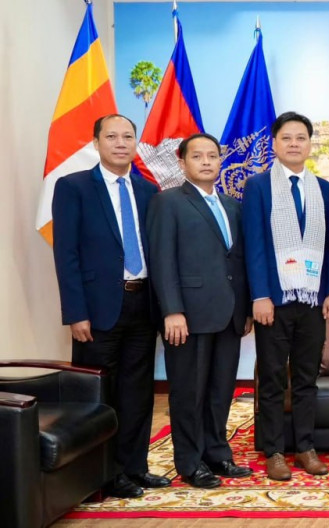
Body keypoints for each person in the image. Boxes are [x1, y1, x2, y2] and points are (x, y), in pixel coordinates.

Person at [52, 114, 169, 498]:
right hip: (97, 308)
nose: (121, 143)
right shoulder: (74, 187)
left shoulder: (147, 190)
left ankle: (134, 467)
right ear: (96, 142)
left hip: (142, 303)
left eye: (128, 136)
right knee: (101, 394)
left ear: (136, 143)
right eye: (112, 136)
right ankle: (102, 474)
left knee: (138, 393)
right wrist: (76, 313)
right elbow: (66, 254)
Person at [146, 133, 254, 489]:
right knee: (189, 392)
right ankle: (190, 463)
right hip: (188, 316)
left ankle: (217, 453)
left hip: (229, 313)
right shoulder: (167, 202)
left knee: (220, 390)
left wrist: (246, 308)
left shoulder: (232, 205)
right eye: (197, 156)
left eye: (212, 155)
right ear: (182, 162)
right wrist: (172, 310)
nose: (206, 161)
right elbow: (162, 260)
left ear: (221, 160)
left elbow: (238, 261)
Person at [243, 112, 329, 481]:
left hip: (313, 300)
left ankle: (305, 447)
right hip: (274, 300)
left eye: (301, 137)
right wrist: (260, 295)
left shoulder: (324, 189)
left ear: (310, 144)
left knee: (305, 378)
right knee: (272, 378)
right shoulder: (258, 187)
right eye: (287, 138)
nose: (294, 144)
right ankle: (274, 451)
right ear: (275, 143)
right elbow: (254, 245)